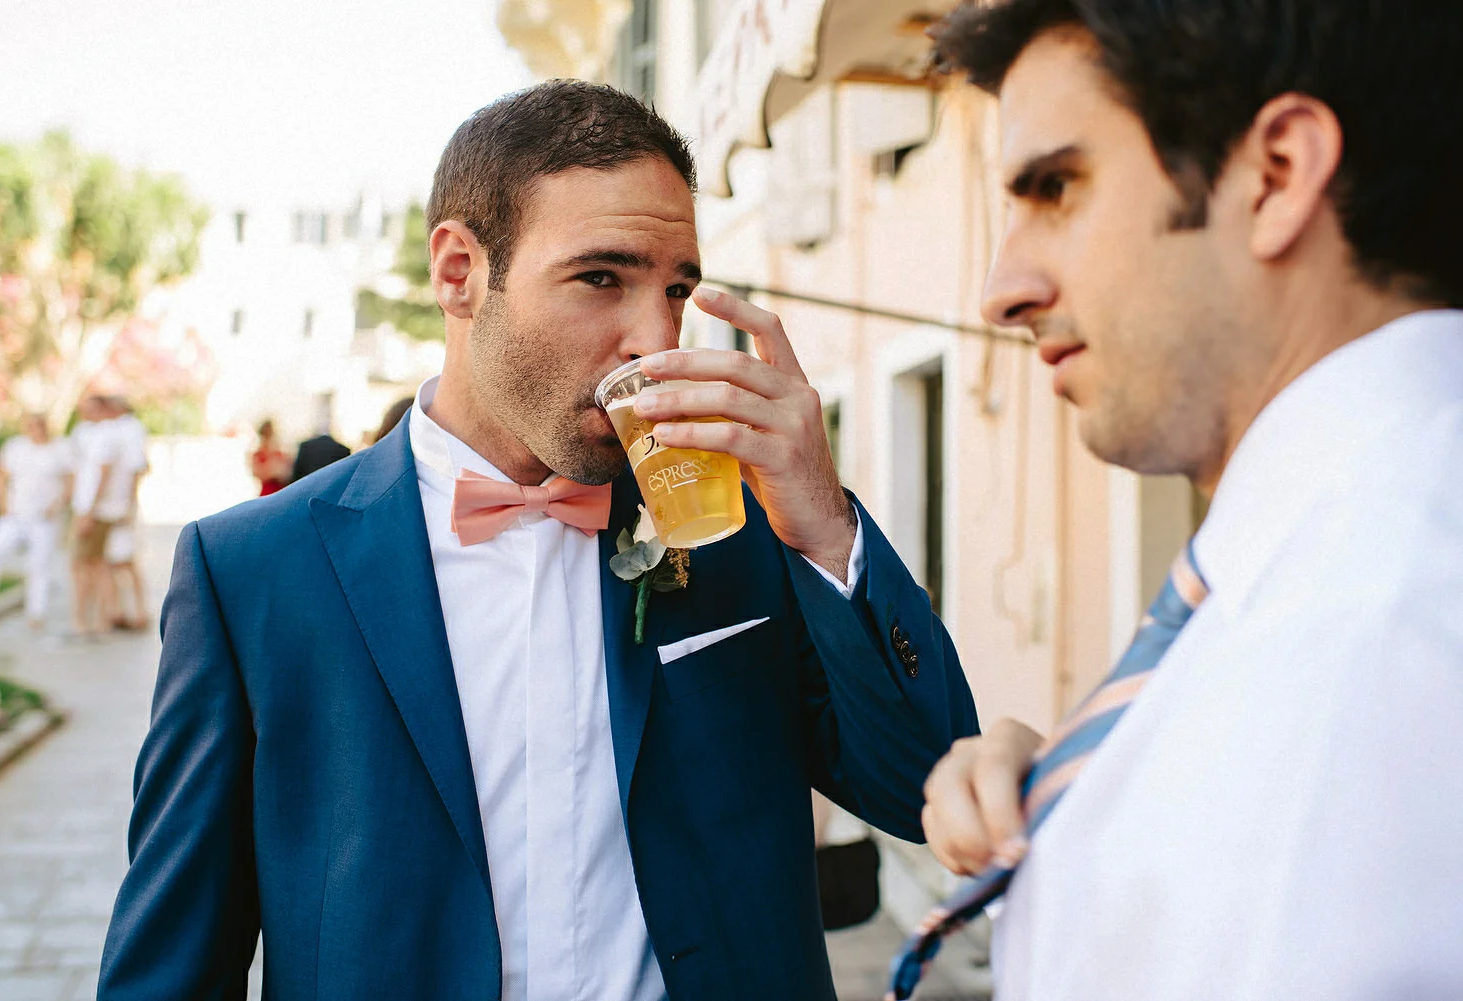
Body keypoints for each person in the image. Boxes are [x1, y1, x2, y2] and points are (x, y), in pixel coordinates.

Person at [98, 81, 981, 1001]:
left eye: (676, 289)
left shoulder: (742, 529)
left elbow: (924, 788)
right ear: (459, 272)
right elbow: (172, 962)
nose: (654, 337)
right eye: (603, 277)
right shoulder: (251, 572)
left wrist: (822, 526)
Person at [896, 2, 1463, 1000]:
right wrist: (1091, 783)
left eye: (1057, 187)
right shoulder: (1318, 570)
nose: (1002, 288)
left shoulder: (1374, 637)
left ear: (1277, 174)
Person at [0, 414, 71, 629]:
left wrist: (57, 505)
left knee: (39, 564)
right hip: (14, 515)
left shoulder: (61, 449)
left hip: (43, 518)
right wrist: (1, 502)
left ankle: (36, 611)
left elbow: (71, 479)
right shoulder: (15, 447)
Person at [67, 395, 117, 636]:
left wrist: (89, 511)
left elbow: (104, 476)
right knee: (81, 564)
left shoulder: (108, 434)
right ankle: (85, 618)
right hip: (82, 508)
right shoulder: (82, 432)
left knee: (94, 564)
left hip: (95, 511)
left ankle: (99, 619)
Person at [101, 397, 150, 632]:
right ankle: (118, 611)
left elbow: (137, 468)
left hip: (121, 507)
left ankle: (140, 612)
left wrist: (129, 505)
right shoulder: (114, 429)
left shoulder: (130, 429)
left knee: (127, 561)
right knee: (111, 561)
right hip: (110, 506)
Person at [248, 419, 290, 496]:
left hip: (281, 490)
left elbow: (286, 472)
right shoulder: (258, 453)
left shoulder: (278, 452)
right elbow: (256, 473)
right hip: (267, 492)